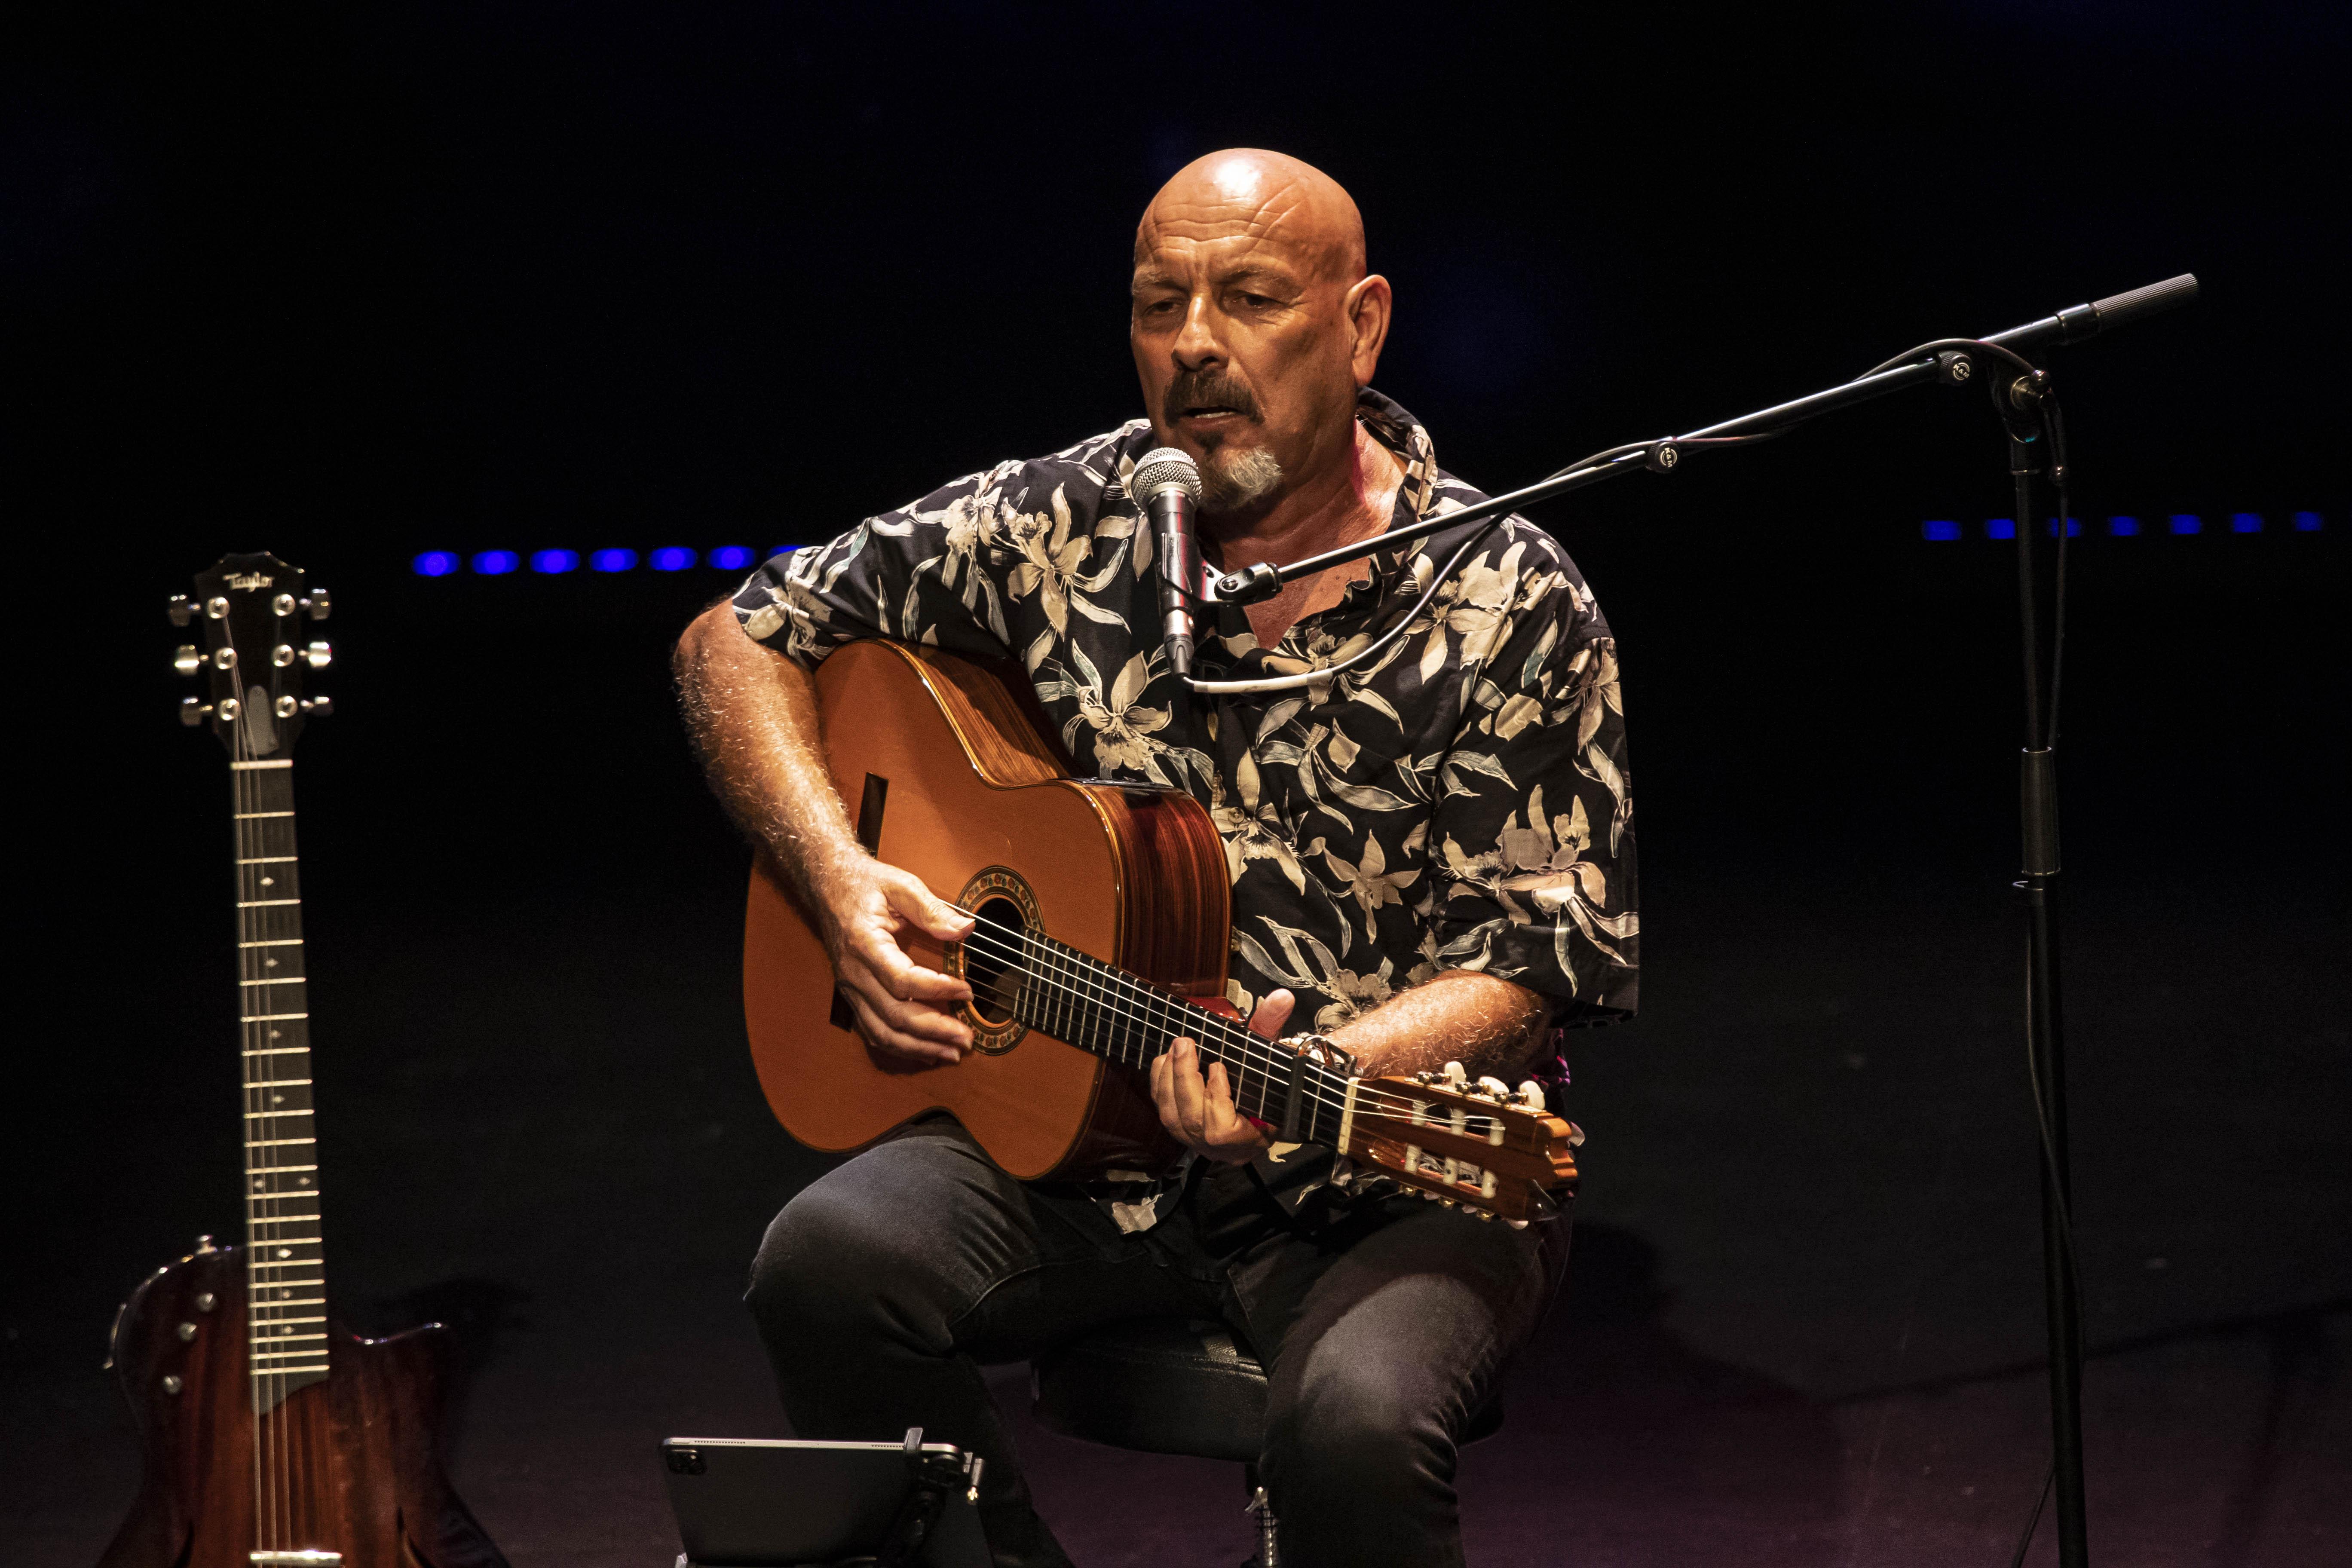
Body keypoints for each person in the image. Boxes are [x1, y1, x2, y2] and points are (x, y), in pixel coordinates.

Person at [673, 148, 1638, 1568]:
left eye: (1250, 298)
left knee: (1356, 1430)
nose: (1196, 343)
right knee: (823, 1268)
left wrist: (1320, 1075)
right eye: (1158, 304)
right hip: (1088, 1147)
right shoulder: (1066, 519)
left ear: (1361, 326)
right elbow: (734, 640)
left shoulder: (1506, 594)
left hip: (1392, 1167)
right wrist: (835, 875)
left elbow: (1536, 963)